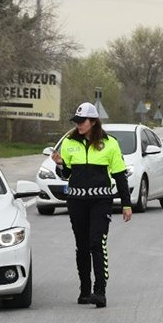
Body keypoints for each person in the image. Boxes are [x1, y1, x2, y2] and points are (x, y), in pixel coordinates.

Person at [51, 102, 132, 308]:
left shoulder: (110, 143)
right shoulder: (69, 142)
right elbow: (67, 174)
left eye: (82, 121)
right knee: (82, 246)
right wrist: (60, 164)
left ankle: (100, 291)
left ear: (93, 121)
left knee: (97, 243)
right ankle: (85, 290)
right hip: (77, 202)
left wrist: (126, 204)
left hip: (100, 202)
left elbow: (120, 175)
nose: (78, 125)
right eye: (76, 121)